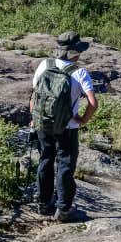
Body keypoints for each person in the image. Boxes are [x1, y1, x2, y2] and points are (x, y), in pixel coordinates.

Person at [30, 31, 98, 222]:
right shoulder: (79, 72)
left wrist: (35, 118)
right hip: (67, 128)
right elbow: (93, 103)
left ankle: (43, 205)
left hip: (43, 124)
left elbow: (34, 96)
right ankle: (64, 210)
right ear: (75, 51)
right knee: (65, 166)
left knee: (45, 161)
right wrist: (83, 120)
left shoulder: (45, 65)